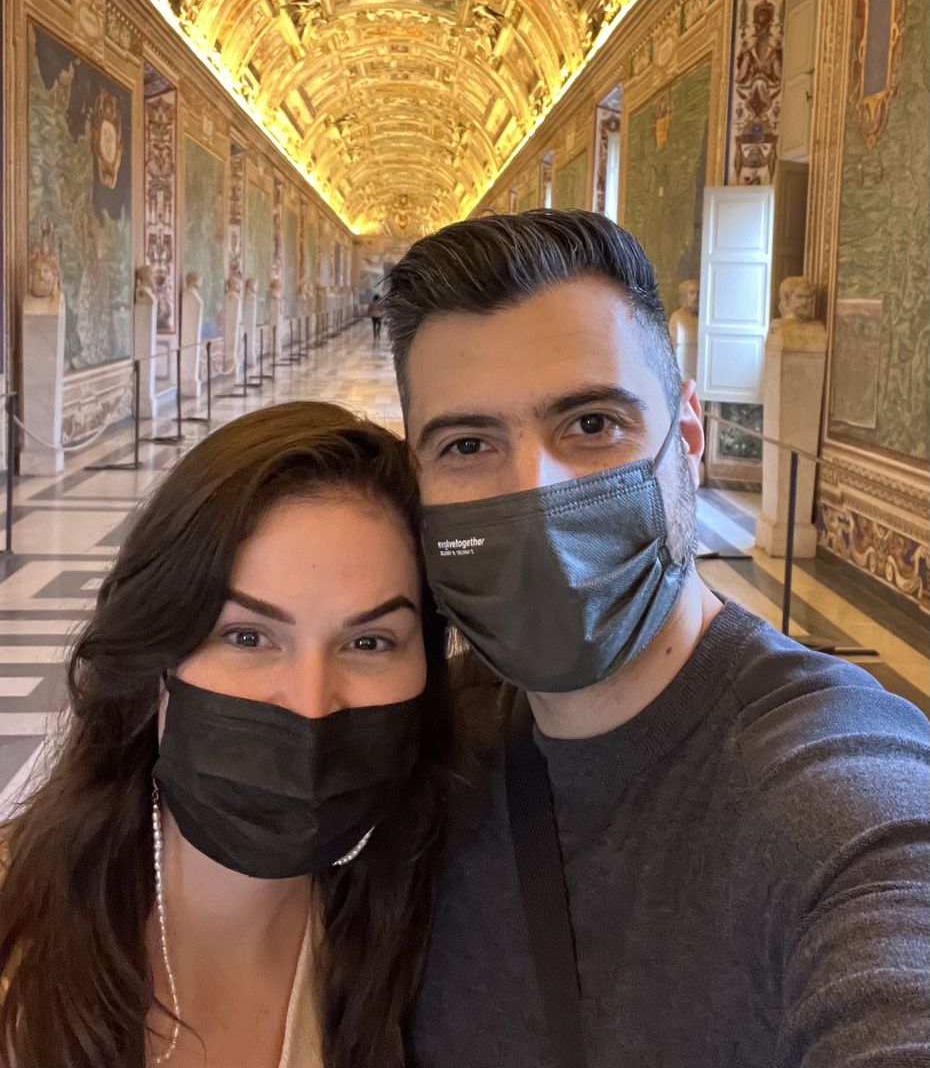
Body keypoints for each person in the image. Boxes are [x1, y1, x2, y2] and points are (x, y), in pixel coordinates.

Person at [381, 208, 930, 1068]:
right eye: (468, 442)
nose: (535, 492)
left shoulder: (837, 797)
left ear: (686, 436)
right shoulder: (427, 745)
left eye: (592, 424)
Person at [0, 402, 452, 1068]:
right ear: (158, 654)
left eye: (369, 641)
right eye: (246, 635)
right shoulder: (19, 938)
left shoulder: (439, 932)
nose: (308, 701)